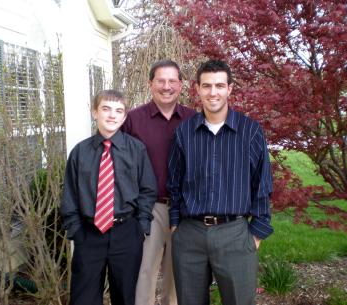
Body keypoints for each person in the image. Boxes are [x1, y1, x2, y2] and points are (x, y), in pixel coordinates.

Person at [167, 60, 274, 305]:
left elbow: (262, 184)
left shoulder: (250, 131)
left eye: (219, 85)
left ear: (230, 89)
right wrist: (176, 227)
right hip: (190, 234)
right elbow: (174, 183)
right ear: (198, 89)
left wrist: (255, 234)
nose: (212, 92)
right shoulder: (183, 132)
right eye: (206, 86)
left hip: (235, 234)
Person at [60, 90, 157, 305]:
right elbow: (70, 195)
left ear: (124, 117)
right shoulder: (80, 152)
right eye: (106, 109)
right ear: (95, 113)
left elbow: (147, 190)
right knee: (83, 298)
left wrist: (140, 228)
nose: (112, 115)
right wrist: (76, 230)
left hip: (127, 233)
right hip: (89, 234)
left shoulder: (136, 150)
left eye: (118, 111)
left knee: (124, 297)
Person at [122, 60, 197, 305]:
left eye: (172, 81)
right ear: (150, 84)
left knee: (179, 273)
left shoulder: (193, 119)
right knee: (144, 271)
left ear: (181, 85)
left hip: (185, 209)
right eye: (161, 81)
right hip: (148, 208)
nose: (167, 86)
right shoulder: (132, 120)